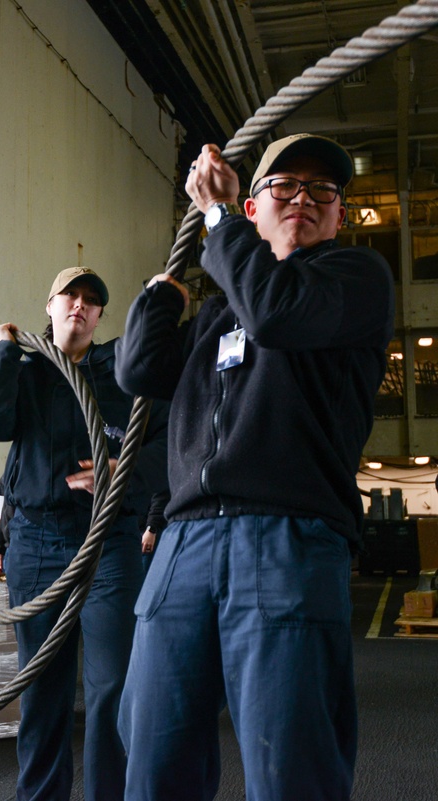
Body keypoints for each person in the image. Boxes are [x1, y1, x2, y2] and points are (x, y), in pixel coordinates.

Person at [115, 134, 395, 800]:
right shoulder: (217, 316)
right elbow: (138, 369)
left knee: (289, 763)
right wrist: (160, 294)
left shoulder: (355, 281)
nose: (302, 198)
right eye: (284, 186)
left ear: (340, 217)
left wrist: (213, 222)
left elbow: (276, 312)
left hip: (287, 540)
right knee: (152, 756)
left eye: (321, 191)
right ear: (253, 209)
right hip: (183, 544)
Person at [0, 267, 170, 801]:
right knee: (43, 691)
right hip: (37, 543)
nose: (80, 304)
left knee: (111, 689)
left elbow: (175, 440)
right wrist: (2, 352)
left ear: (99, 315)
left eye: (92, 300)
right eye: (69, 295)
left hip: (107, 543)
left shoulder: (125, 372)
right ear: (49, 306)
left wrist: (127, 471)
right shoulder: (25, 370)